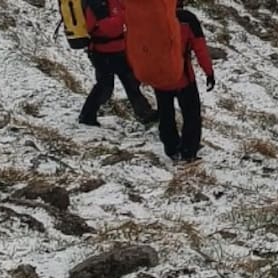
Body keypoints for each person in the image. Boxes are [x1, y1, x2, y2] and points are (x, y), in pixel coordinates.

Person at [154, 0, 215, 163]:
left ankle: (171, 148)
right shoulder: (188, 19)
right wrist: (209, 72)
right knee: (191, 114)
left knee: (165, 113)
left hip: (159, 76)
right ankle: (189, 151)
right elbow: (200, 49)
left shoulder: (153, 18)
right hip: (183, 77)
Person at [79, 0, 157, 127]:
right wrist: (125, 16)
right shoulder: (96, 3)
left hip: (119, 50)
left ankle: (145, 113)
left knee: (131, 81)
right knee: (105, 87)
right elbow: (109, 28)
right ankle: (87, 116)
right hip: (102, 53)